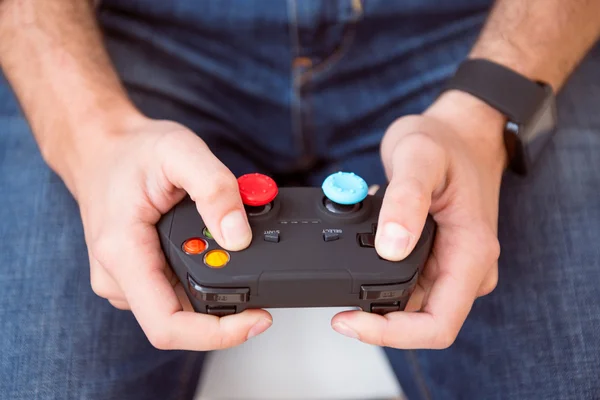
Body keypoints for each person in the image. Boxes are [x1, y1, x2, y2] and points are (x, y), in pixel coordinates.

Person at [0, 0, 598, 399]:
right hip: (135, 36)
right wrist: (92, 133)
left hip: (468, 33)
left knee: (570, 375)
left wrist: (484, 115)